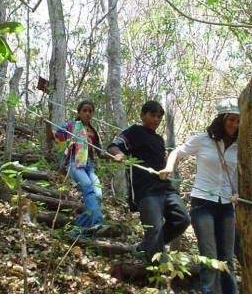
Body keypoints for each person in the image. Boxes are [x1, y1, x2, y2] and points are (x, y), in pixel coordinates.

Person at [159, 98, 239, 294]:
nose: (234, 125)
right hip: (203, 203)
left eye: (238, 121)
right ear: (221, 119)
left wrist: (237, 193)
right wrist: (169, 167)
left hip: (227, 205)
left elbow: (238, 174)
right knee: (210, 256)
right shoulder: (204, 140)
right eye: (231, 120)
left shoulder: (240, 146)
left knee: (227, 257)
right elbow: (177, 152)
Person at [108, 101, 190, 263]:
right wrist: (119, 155)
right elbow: (113, 146)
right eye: (152, 115)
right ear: (143, 115)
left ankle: (146, 246)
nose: (156, 119)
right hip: (146, 190)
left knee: (182, 219)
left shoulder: (159, 140)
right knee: (154, 229)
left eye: (159, 117)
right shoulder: (134, 131)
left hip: (165, 187)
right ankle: (160, 274)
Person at [48, 100, 114, 237]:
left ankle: (78, 228)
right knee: (89, 189)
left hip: (90, 166)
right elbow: (55, 138)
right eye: (85, 110)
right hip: (75, 163)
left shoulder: (93, 131)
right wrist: (47, 125)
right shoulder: (71, 126)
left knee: (98, 195)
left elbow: (100, 153)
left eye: (90, 111)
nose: (88, 113)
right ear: (79, 112)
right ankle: (97, 223)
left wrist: (115, 157)